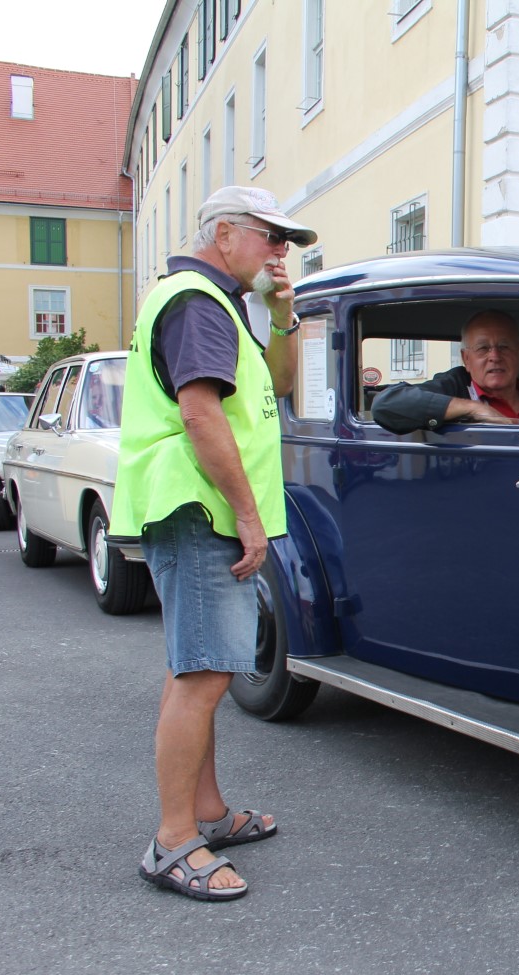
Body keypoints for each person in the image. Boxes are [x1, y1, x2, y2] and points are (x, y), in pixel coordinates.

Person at [112, 185, 316, 901]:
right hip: (200, 509)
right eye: (271, 236)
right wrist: (248, 516)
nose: (281, 251)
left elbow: (278, 387)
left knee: (193, 669)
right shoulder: (198, 301)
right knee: (201, 680)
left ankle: (207, 814)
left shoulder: (216, 300)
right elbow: (202, 416)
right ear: (225, 233)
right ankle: (173, 843)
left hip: (194, 508)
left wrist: (283, 312)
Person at [371, 310, 519, 432]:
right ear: (466, 359)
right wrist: (473, 408)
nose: (495, 356)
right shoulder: (454, 386)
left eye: (504, 347)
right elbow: (385, 404)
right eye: (482, 348)